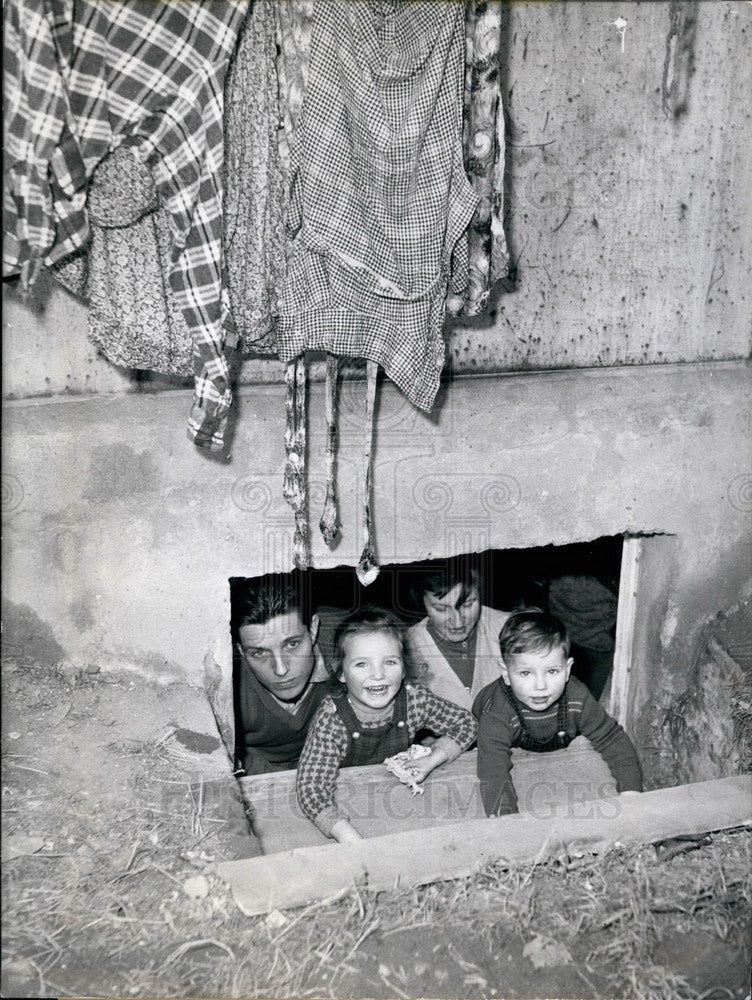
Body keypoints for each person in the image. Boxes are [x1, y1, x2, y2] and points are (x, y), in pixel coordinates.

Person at [296, 605, 477, 842]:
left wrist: (433, 758)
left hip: (397, 796)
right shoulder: (332, 719)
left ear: (404, 668)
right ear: (341, 672)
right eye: (362, 664)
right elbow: (311, 786)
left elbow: (466, 723)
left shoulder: (414, 699)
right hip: (348, 802)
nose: (378, 675)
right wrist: (346, 836)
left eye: (390, 662)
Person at [473, 609, 642, 817]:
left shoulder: (577, 698)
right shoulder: (497, 713)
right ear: (506, 673)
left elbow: (612, 738)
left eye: (552, 671)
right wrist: (507, 820)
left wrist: (631, 793)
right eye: (525, 673)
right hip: (490, 747)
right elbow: (493, 770)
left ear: (567, 669)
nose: (541, 686)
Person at [231, 573, 330, 775]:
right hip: (260, 772)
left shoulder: (352, 645)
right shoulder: (229, 688)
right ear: (240, 650)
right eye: (259, 653)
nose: (281, 669)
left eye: (292, 644)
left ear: (313, 629)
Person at [405, 557, 511, 710]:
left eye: (468, 604)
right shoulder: (406, 647)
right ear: (422, 602)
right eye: (441, 609)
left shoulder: (512, 627)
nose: (458, 622)